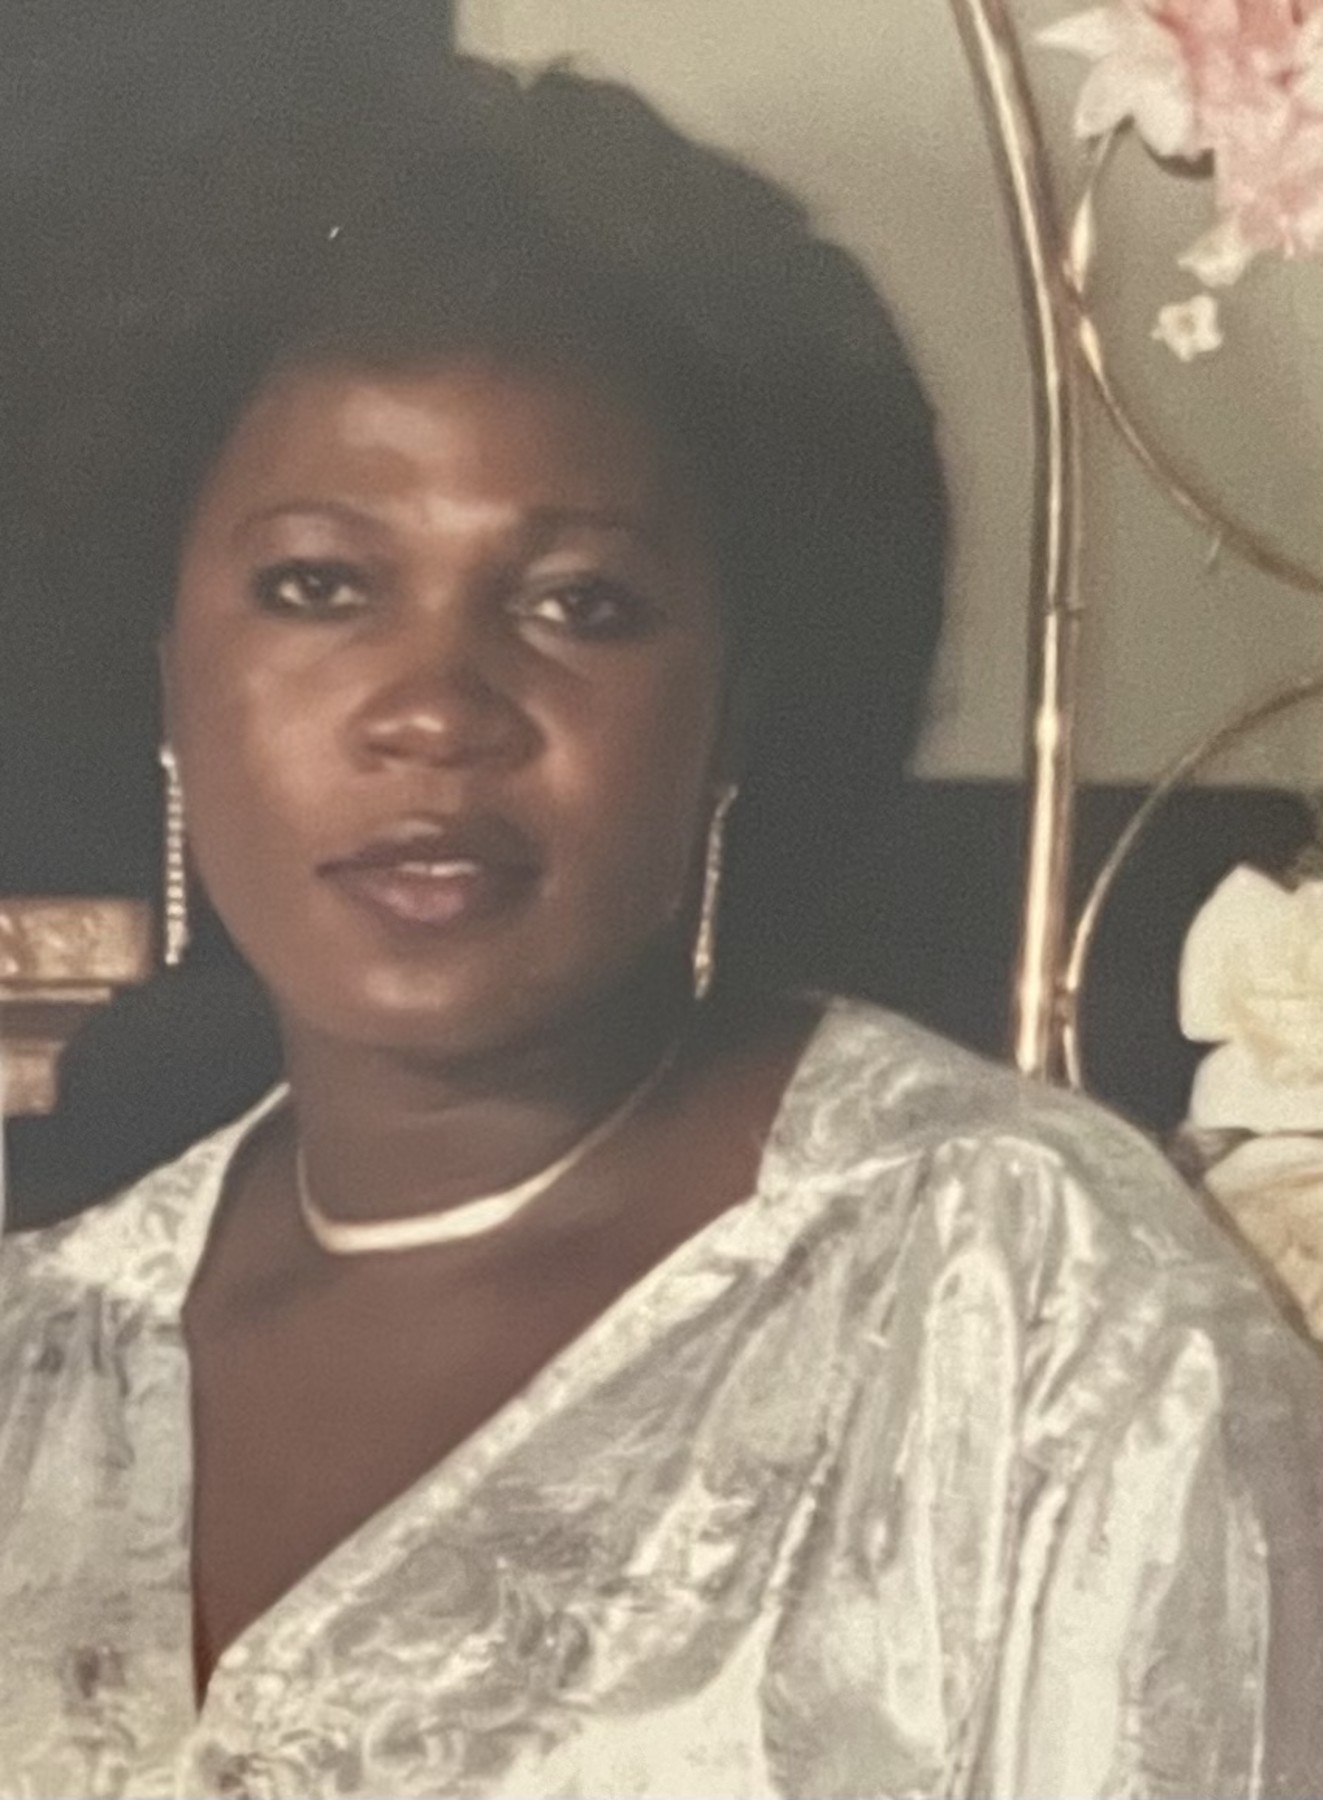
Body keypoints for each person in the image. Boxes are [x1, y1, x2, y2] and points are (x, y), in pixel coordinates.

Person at [2, 57, 1323, 1800]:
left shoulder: (1026, 1302)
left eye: (580, 603)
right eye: (319, 586)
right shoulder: (38, 1367)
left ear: (739, 704)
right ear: (169, 664)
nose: (436, 709)